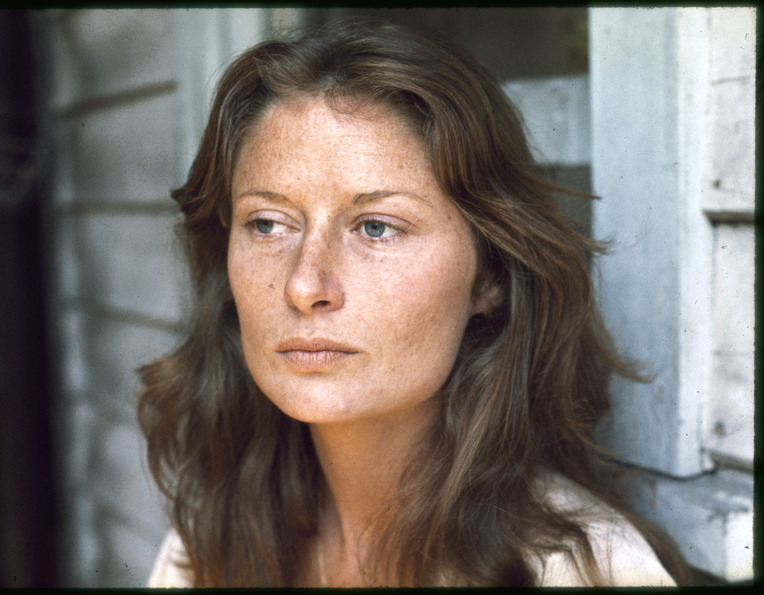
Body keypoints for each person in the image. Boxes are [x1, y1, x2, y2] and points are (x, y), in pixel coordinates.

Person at [137, 20, 690, 587]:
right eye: (269, 223)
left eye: (377, 227)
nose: (305, 286)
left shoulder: (587, 573)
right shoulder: (208, 543)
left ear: (490, 277)